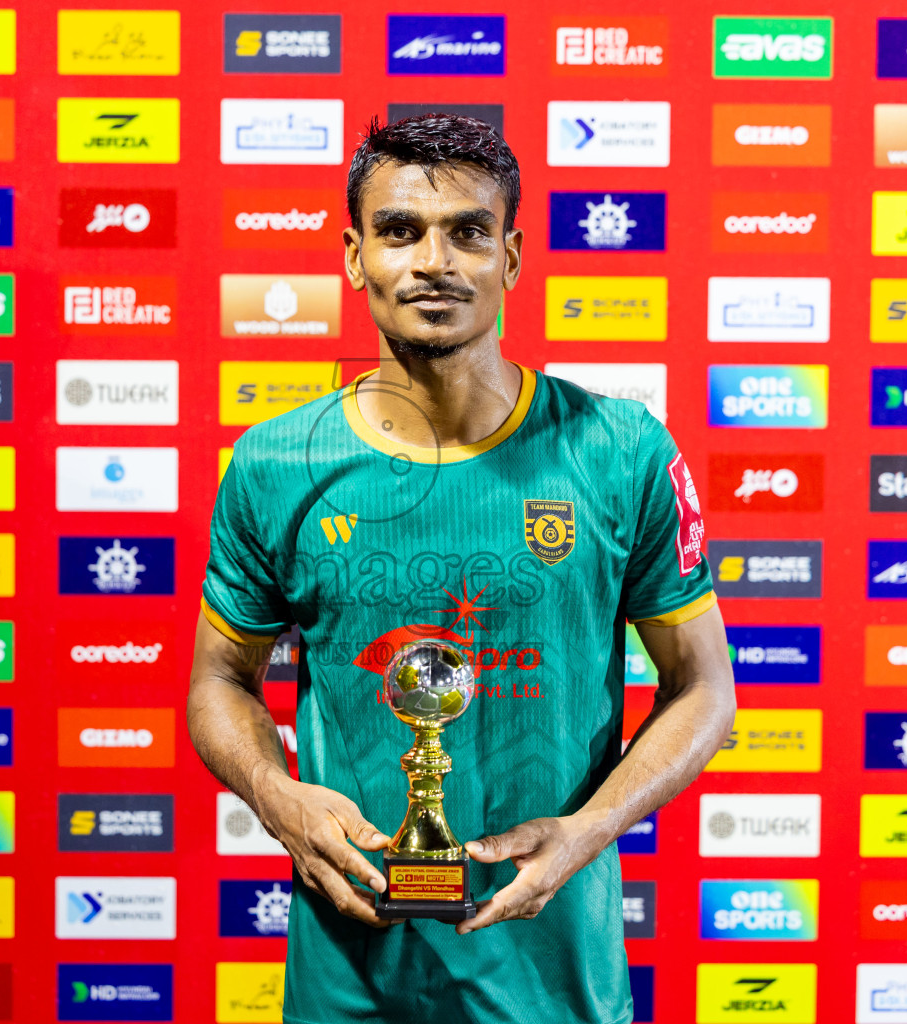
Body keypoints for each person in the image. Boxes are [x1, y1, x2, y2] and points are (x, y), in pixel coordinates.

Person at [189, 113, 736, 1024]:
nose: (434, 261)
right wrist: (274, 795)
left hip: (557, 974)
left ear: (512, 259)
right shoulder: (274, 463)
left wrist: (584, 834)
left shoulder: (620, 449)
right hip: (349, 978)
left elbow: (703, 689)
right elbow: (217, 679)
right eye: (400, 231)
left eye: (468, 233)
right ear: (356, 257)